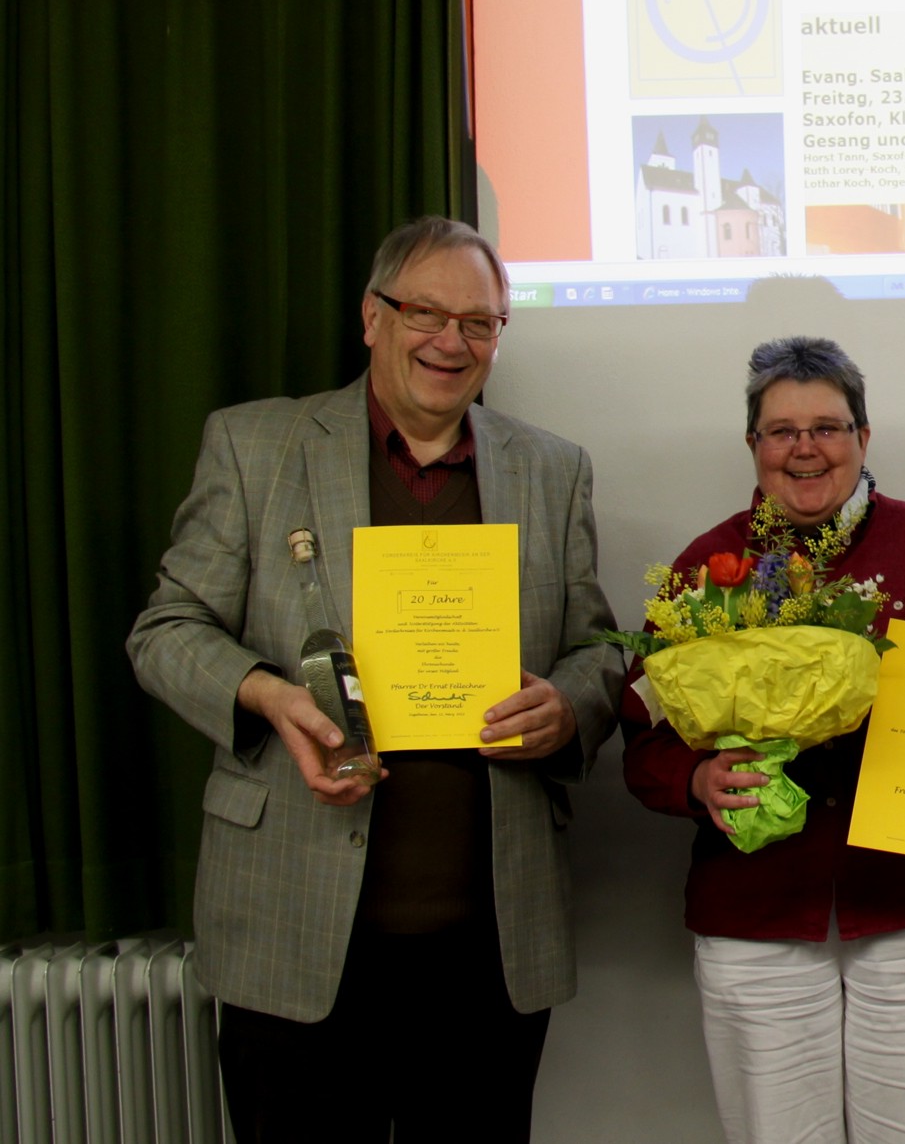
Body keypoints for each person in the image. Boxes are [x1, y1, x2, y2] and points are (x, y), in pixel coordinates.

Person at [127, 217, 625, 1144]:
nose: (451, 342)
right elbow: (165, 630)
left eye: (479, 323)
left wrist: (570, 706)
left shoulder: (551, 469)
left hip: (487, 945)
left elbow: (595, 648)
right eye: (425, 312)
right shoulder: (256, 446)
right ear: (371, 316)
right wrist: (268, 695)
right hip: (296, 928)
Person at [621, 335, 905, 1144]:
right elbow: (642, 739)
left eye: (828, 426)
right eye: (782, 431)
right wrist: (695, 780)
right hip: (757, 914)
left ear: (864, 437)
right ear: (753, 446)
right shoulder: (701, 570)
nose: (806, 448)